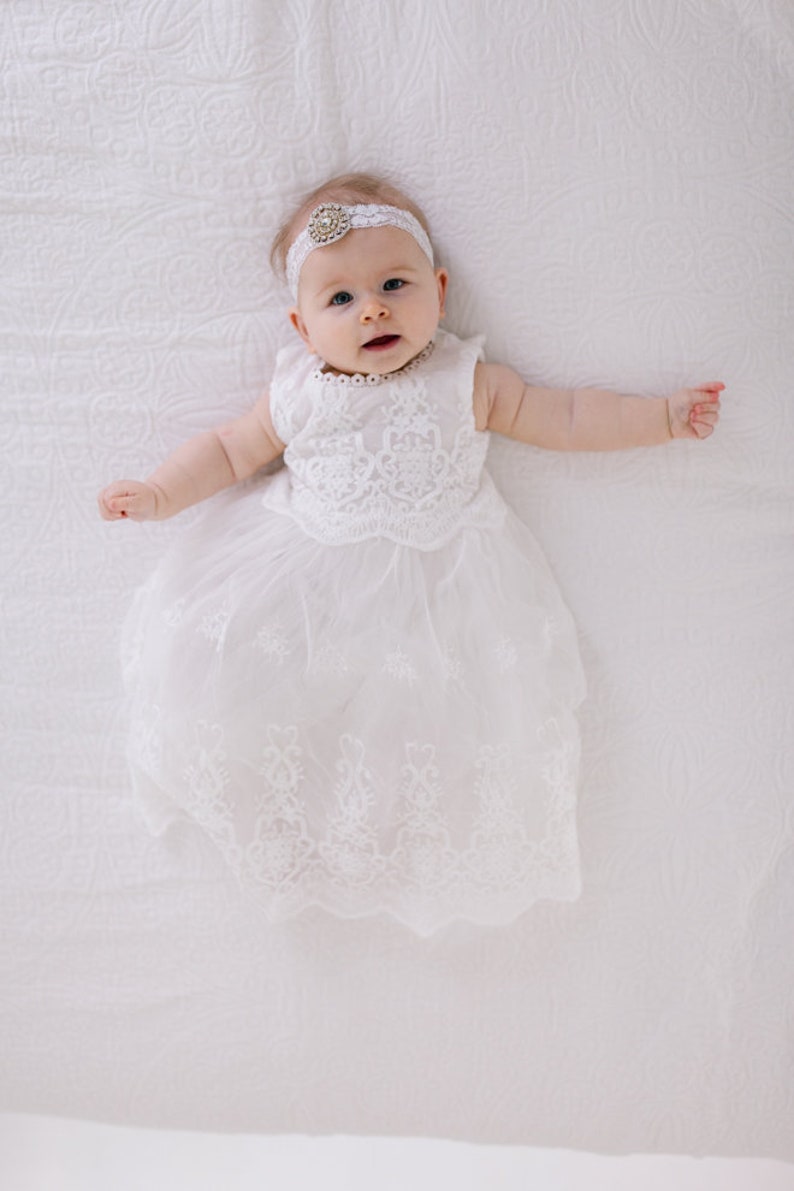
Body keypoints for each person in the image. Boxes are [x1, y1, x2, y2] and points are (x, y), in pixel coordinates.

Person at [98, 172, 723, 935]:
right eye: (341, 299)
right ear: (300, 327)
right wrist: (161, 493)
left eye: (395, 282)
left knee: (428, 739)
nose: (374, 308)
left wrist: (659, 415)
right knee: (246, 684)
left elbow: (564, 415)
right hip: (305, 582)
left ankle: (394, 845)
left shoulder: (468, 381)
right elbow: (229, 450)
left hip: (441, 597)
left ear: (440, 287)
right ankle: (290, 824)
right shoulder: (300, 390)